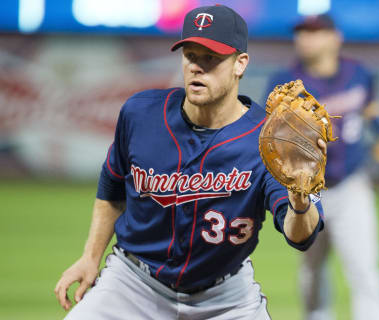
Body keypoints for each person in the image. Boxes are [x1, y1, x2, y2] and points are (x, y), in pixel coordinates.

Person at [54, 5, 327, 320]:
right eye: (191, 56)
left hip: (226, 297)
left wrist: (299, 199)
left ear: (240, 64)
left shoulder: (268, 141)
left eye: (211, 58)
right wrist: (90, 257)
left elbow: (301, 237)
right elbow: (112, 185)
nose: (197, 67)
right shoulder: (140, 114)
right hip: (133, 283)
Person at [266, 14, 379, 320]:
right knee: (312, 272)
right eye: (302, 32)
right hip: (307, 191)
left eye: (314, 32)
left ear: (334, 37)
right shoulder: (285, 83)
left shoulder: (358, 74)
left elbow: (372, 112)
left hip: (351, 185)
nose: (306, 38)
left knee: (364, 268)